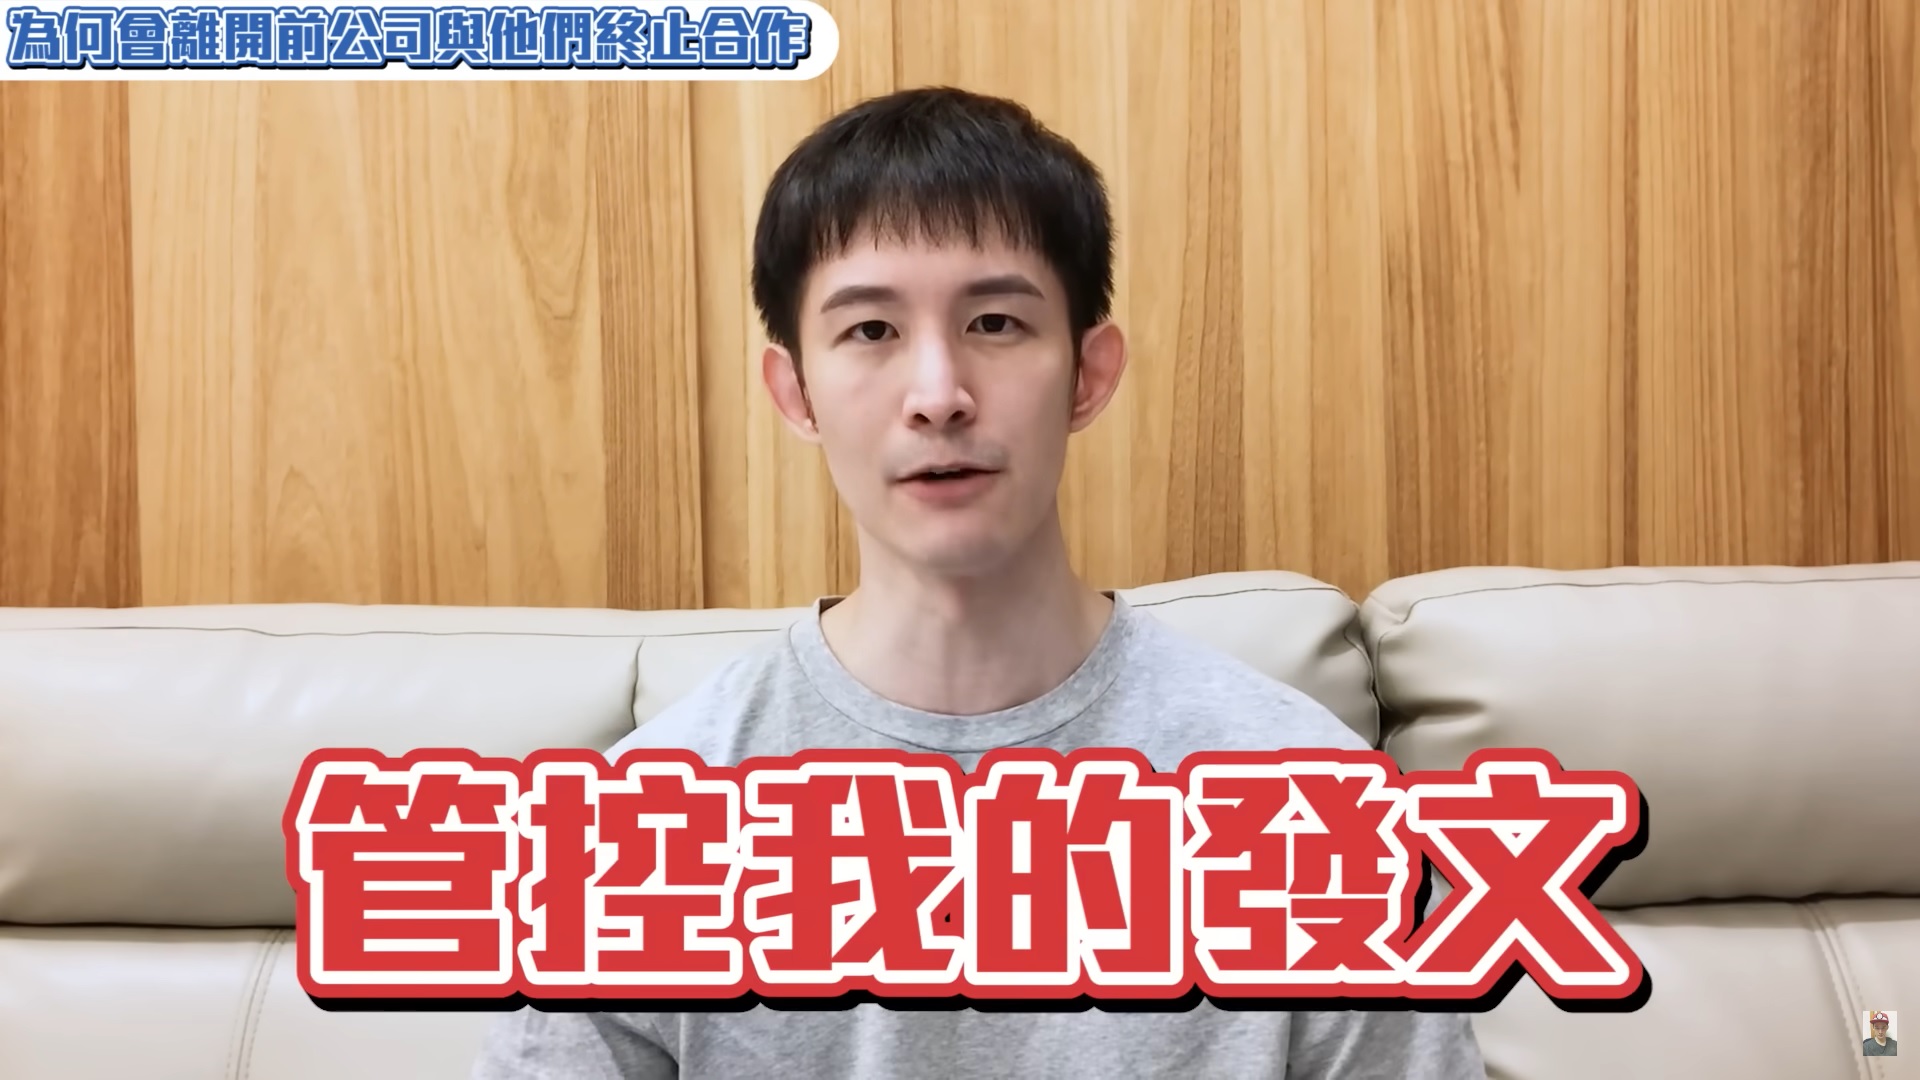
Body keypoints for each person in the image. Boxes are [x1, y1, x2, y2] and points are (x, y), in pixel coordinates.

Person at [471, 85, 1486, 1080]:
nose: (938, 395)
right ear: (796, 394)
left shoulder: (1303, 796)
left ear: (1089, 374)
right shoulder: (634, 836)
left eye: (995, 323)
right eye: (871, 331)